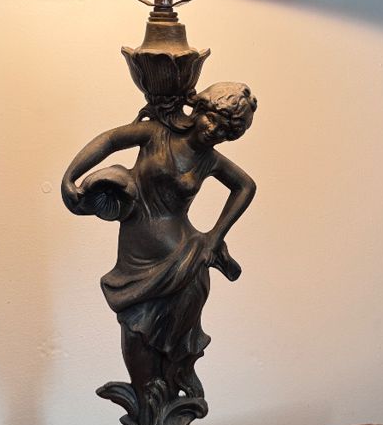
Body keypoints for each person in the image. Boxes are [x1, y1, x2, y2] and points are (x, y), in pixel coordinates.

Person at [61, 83, 257, 406]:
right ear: (200, 108)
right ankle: (146, 404)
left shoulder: (209, 160)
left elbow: (245, 186)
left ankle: (169, 392)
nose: (214, 131)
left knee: (176, 338)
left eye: (225, 131)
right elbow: (109, 140)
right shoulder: (156, 133)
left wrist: (214, 237)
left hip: (186, 262)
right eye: (213, 119)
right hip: (138, 256)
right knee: (135, 326)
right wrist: (71, 176)